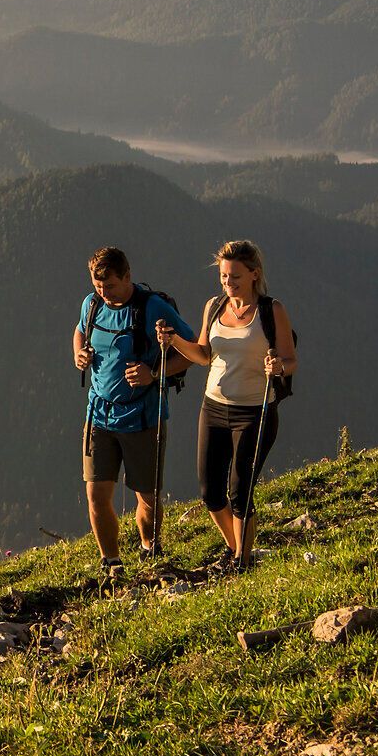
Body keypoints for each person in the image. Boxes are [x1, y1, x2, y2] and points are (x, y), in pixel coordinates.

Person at [156, 239, 297, 571]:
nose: (228, 283)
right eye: (223, 277)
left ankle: (241, 561)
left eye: (234, 277)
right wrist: (174, 340)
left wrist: (278, 368)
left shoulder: (271, 310)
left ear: (253, 275)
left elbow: (291, 359)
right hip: (214, 408)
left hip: (255, 411)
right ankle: (237, 550)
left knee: (240, 491)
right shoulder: (215, 306)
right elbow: (204, 355)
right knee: (210, 493)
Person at [72, 246, 194, 574]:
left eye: (110, 286)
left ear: (127, 276)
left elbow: (195, 351)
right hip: (99, 414)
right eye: (98, 286)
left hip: (143, 416)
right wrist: (78, 354)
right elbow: (81, 330)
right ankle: (111, 562)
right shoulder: (92, 304)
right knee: (96, 494)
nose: (103, 293)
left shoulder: (152, 307)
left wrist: (153, 374)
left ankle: (149, 550)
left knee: (148, 498)